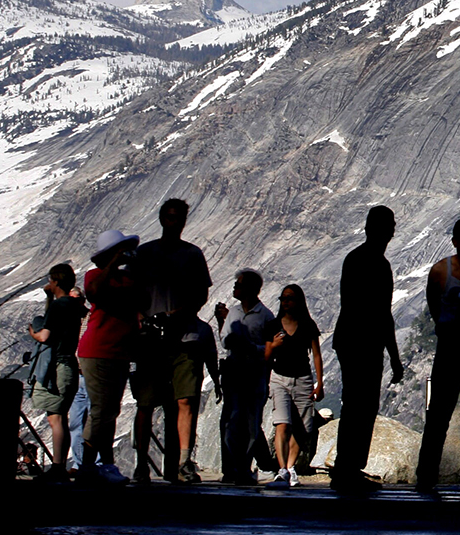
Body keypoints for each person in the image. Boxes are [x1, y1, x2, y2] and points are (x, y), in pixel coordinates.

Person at [131, 197, 212, 484]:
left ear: (183, 221)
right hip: (150, 340)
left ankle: (183, 461)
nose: (174, 222)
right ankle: (141, 463)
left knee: (185, 400)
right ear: (162, 218)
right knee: (145, 403)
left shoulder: (192, 255)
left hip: (184, 338)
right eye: (170, 216)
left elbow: (202, 295)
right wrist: (143, 317)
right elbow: (131, 292)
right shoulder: (144, 254)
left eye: (179, 217)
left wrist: (178, 314)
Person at [330, 205, 404, 494]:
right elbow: (382, 313)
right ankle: (348, 468)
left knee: (355, 405)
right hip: (364, 342)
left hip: (351, 340)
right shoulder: (375, 264)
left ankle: (347, 466)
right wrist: (394, 357)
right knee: (362, 405)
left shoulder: (355, 259)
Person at [415, 218, 460, 493]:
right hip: (452, 348)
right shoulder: (441, 270)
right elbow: (434, 306)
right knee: (440, 414)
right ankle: (427, 475)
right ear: (455, 241)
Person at [75, 229, 140, 485]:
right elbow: (94, 292)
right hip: (98, 350)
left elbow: (141, 298)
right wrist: (113, 264)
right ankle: (88, 465)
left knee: (110, 410)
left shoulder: (128, 278)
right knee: (101, 410)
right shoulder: (95, 276)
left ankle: (105, 464)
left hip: (119, 351)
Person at [27, 263, 88, 483]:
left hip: (57, 366)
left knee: (56, 418)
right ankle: (60, 465)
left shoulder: (59, 306)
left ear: (55, 282)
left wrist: (32, 333)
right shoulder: (74, 306)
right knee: (60, 415)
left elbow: (45, 336)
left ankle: (58, 466)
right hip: (70, 364)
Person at [215, 268, 275, 484]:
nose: (235, 288)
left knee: (251, 422)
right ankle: (230, 467)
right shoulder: (233, 313)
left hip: (254, 372)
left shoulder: (266, 316)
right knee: (231, 419)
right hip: (233, 371)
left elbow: (271, 349)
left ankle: (244, 466)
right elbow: (224, 340)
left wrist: (251, 347)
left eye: (239, 285)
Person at [263, 284, 323, 489]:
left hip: (303, 380)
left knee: (303, 428)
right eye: (283, 298)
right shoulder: (273, 326)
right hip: (279, 378)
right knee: (282, 423)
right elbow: (266, 357)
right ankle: (281, 469)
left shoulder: (308, 325)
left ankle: (290, 468)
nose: (286, 302)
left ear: (299, 301)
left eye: (290, 298)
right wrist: (272, 346)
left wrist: (319, 382)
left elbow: (316, 354)